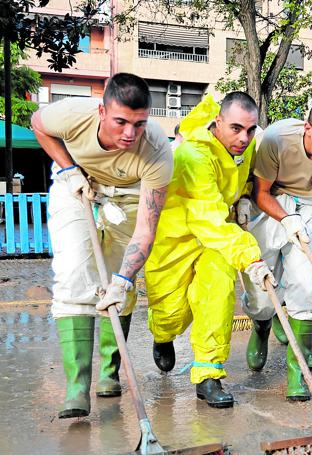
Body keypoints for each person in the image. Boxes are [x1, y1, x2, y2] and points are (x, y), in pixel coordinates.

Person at [31, 73, 173, 418]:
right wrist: (68, 170)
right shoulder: (73, 114)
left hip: (128, 198)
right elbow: (38, 123)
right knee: (73, 274)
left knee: (115, 283)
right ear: (101, 111)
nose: (129, 133)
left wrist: (125, 279)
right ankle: (77, 386)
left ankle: (110, 372)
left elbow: (146, 227)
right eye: (121, 121)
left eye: (139, 124)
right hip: (76, 185)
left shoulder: (156, 150)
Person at [144, 92, 274, 409]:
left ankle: (208, 374)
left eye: (251, 129)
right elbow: (207, 219)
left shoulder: (246, 146)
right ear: (218, 122)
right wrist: (251, 257)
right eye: (236, 128)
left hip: (218, 234)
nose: (244, 138)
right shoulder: (193, 156)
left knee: (217, 291)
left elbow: (238, 183)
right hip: (178, 235)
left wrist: (244, 198)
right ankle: (162, 334)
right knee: (172, 311)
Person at [242, 96, 312, 401]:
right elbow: (261, 192)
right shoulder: (277, 138)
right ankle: (262, 325)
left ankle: (298, 368)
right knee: (260, 287)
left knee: (308, 288)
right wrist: (285, 217)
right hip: (269, 207)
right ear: (308, 128)